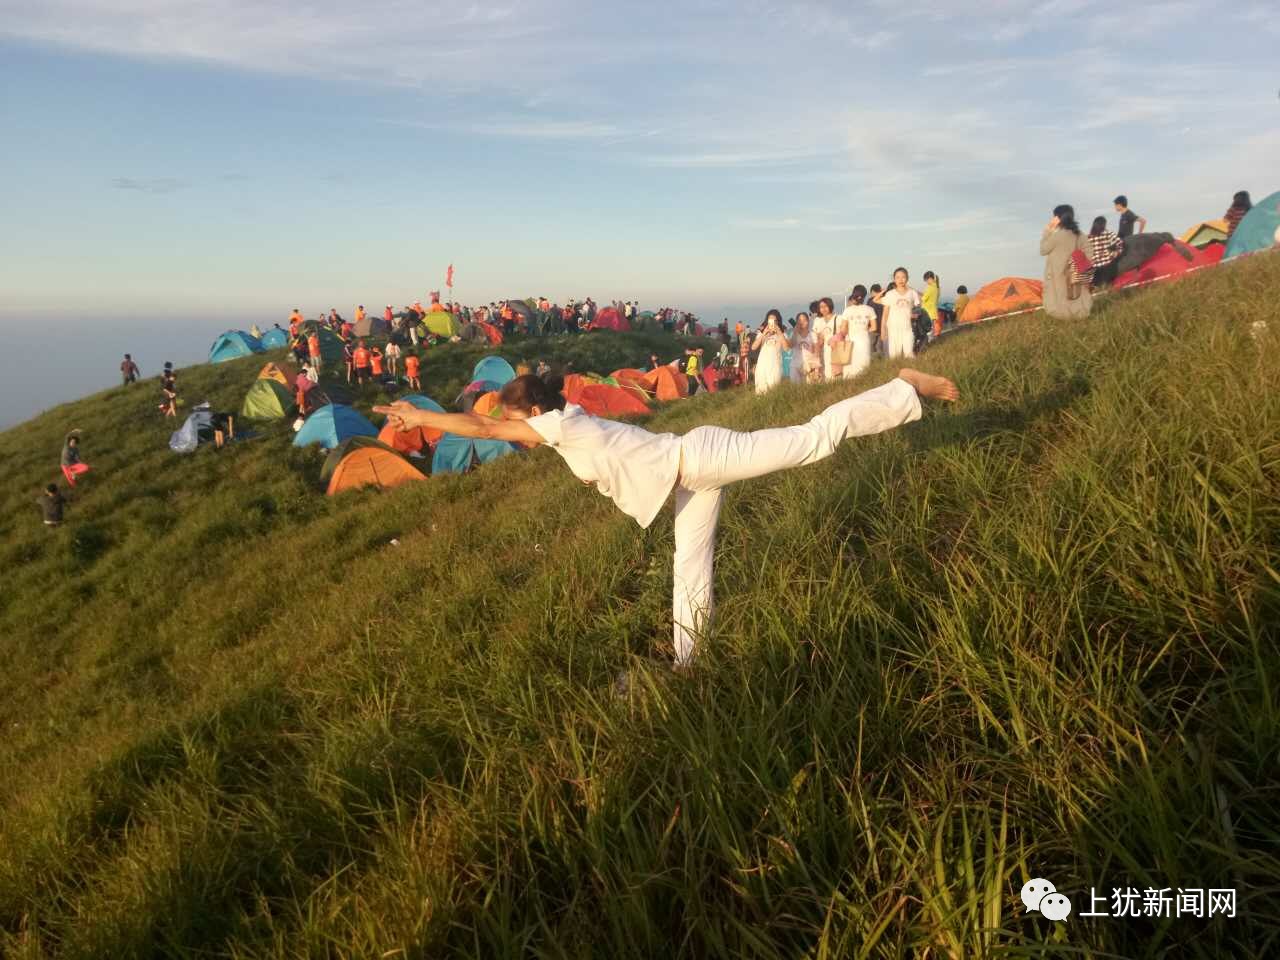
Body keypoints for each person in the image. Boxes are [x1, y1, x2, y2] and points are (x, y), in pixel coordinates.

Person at [376, 368, 957, 667]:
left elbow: (481, 428)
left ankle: (903, 388)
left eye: (512, 419)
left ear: (532, 412)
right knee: (688, 564)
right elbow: (490, 425)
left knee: (813, 440)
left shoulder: (561, 423)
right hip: (689, 475)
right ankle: (688, 659)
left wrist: (419, 419)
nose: (509, 428)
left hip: (702, 457)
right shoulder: (562, 430)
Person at [1040, 204, 1092, 319]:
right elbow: (1089, 253)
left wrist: (1047, 231)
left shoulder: (1056, 236)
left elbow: (1043, 250)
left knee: (1060, 296)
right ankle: (1081, 315)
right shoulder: (1080, 235)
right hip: (1078, 273)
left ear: (1058, 218)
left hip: (1059, 273)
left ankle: (1066, 319)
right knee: (1078, 295)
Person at [874, 268, 922, 359]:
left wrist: (915, 314)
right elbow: (884, 314)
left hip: (908, 328)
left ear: (907, 278)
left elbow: (919, 305)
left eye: (903, 277)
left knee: (909, 354)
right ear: (894, 279)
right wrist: (883, 329)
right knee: (894, 356)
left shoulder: (912, 293)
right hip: (893, 330)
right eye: (898, 277)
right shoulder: (890, 294)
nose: (900, 280)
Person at [838, 287, 876, 380]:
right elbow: (874, 328)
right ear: (864, 295)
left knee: (850, 365)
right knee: (863, 363)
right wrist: (864, 330)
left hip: (851, 340)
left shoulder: (848, 310)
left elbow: (843, 329)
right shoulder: (870, 309)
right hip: (864, 340)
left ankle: (850, 384)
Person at [751, 310, 788, 395]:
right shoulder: (762, 334)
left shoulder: (782, 334)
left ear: (778, 322)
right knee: (760, 393)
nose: (772, 323)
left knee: (773, 392)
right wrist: (764, 334)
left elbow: (786, 348)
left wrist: (779, 332)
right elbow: (753, 347)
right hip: (762, 367)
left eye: (775, 321)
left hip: (775, 367)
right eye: (770, 321)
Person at [1085, 216, 1124, 289]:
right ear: (1104, 224)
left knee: (1096, 287)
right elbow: (1120, 242)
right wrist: (1116, 252)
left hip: (1094, 266)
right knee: (1107, 285)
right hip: (1107, 265)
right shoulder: (1107, 233)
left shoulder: (1088, 237)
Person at [789, 312, 814, 384]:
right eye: (799, 320)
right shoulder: (793, 333)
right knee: (795, 388)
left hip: (809, 366)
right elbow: (791, 345)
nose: (802, 322)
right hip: (795, 366)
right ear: (796, 322)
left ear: (808, 321)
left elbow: (815, 350)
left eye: (804, 320)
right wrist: (795, 333)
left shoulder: (812, 334)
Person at [922, 271, 941, 338]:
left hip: (928, 311)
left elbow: (923, 299)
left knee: (928, 330)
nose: (926, 282)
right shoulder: (937, 287)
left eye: (926, 280)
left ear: (929, 278)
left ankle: (929, 343)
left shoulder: (930, 287)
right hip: (933, 311)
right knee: (931, 329)